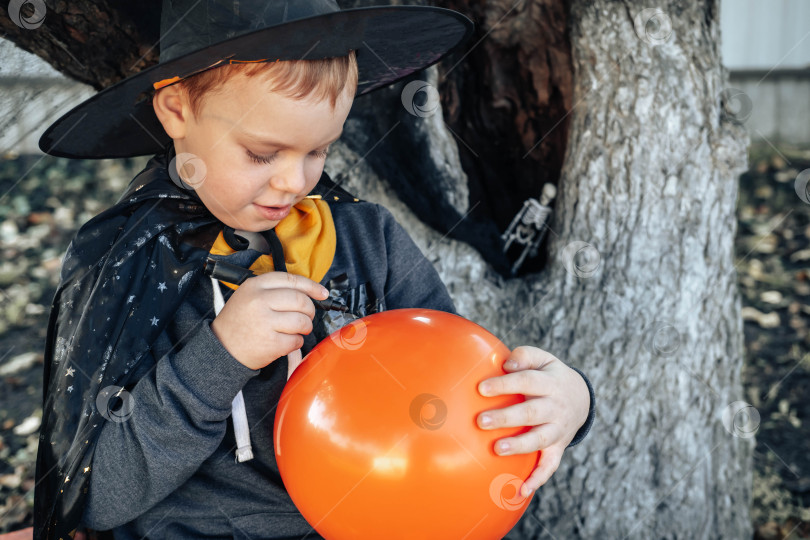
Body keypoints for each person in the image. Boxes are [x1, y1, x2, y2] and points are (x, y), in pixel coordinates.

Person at [33, 1, 595, 538]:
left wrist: (568, 402)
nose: (293, 183)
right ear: (177, 109)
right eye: (261, 153)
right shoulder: (125, 265)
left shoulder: (368, 242)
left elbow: (460, 392)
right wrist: (218, 356)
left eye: (319, 151)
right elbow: (96, 495)